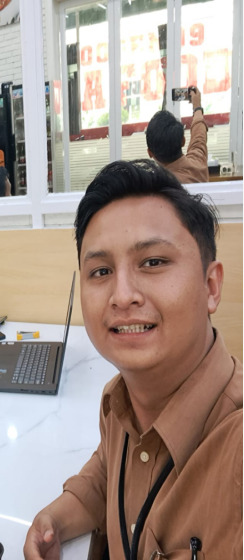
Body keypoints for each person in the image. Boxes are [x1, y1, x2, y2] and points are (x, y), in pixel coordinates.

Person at [24, 159, 242, 559]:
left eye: (153, 262)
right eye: (101, 271)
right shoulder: (119, 400)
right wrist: (56, 518)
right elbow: (109, 474)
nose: (122, 295)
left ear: (211, 286)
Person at [146, 86, 209, 183]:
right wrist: (197, 107)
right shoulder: (198, 164)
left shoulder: (159, 185)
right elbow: (199, 137)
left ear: (150, 153)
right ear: (183, 141)